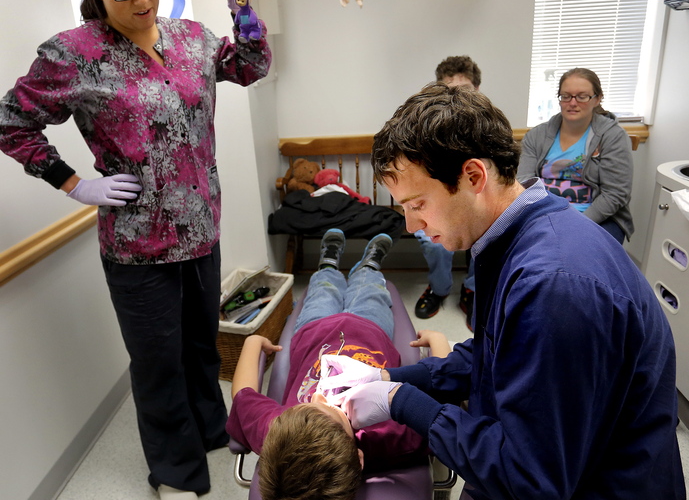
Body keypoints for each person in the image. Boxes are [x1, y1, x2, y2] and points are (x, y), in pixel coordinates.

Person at [0, 0, 271, 498]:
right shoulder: (73, 54)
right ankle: (174, 472)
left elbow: (251, 66)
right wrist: (74, 184)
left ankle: (210, 432)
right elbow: (10, 121)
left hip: (201, 228)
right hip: (136, 243)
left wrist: (242, 6)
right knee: (157, 363)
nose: (142, 0)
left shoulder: (192, 38)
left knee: (201, 346)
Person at [318, 83, 685, 499]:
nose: (410, 226)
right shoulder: (511, 236)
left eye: (417, 204)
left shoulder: (553, 286)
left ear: (474, 176)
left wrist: (402, 402)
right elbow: (498, 354)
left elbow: (532, 480)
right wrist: (386, 376)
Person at [226, 229, 429, 500]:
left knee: (323, 287)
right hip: (370, 328)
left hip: (314, 329)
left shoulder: (278, 434)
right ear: (359, 458)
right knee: (369, 288)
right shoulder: (388, 435)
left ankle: (328, 262)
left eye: (310, 405)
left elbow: (242, 398)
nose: (320, 395)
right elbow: (440, 403)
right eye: (335, 415)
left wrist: (252, 343)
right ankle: (369, 265)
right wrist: (438, 344)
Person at [517, 67, 634, 244]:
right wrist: (543, 218)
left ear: (597, 99)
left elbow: (615, 194)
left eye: (582, 96)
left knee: (573, 253)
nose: (573, 103)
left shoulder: (613, 137)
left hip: (596, 218)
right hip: (542, 213)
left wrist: (576, 224)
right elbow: (524, 181)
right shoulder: (536, 135)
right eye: (566, 96)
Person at [414, 55, 480, 323]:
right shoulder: (424, 126)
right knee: (436, 244)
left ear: (476, 91)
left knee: (486, 238)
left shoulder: (486, 128)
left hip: (476, 204)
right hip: (436, 204)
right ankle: (439, 289)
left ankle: (473, 289)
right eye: (448, 90)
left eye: (463, 91)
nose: (456, 97)